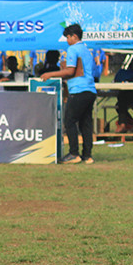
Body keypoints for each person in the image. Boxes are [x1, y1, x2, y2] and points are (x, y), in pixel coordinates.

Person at [40, 24, 96, 164]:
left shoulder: (72, 49)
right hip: (90, 89)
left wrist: (50, 74)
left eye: (68, 37)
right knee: (85, 123)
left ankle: (73, 153)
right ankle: (87, 155)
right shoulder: (86, 50)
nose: (67, 41)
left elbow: (70, 71)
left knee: (70, 121)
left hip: (78, 90)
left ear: (74, 37)